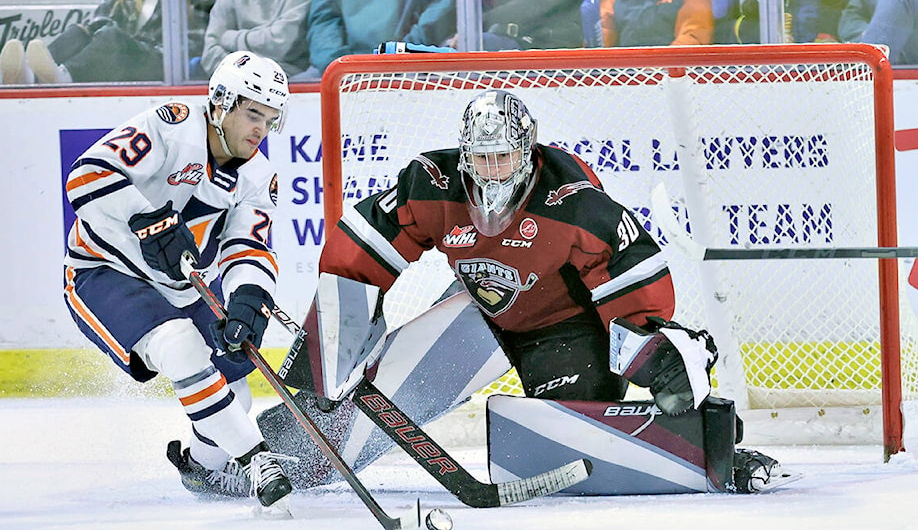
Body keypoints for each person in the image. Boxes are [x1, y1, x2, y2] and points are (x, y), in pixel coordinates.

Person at [300, 89, 783, 494]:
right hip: (479, 314)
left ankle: (709, 448)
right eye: (482, 159)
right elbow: (360, 252)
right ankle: (282, 455)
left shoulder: (572, 199)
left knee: (573, 453)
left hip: (565, 329)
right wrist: (336, 345)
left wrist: (651, 346)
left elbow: (629, 268)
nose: (492, 171)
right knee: (374, 404)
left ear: (527, 151)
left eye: (503, 157)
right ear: (465, 154)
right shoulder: (432, 183)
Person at [62, 50, 294, 511]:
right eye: (252, 113)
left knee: (236, 391)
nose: (259, 130)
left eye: (270, 119)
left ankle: (203, 470)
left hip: (180, 287)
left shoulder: (259, 176)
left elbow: (249, 247)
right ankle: (256, 458)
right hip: (103, 270)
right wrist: (147, 219)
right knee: (180, 344)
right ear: (222, 102)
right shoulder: (169, 126)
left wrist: (249, 297)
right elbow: (86, 176)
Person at [0, 0, 215, 85]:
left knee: (112, 37)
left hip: (164, 64)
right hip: (124, 58)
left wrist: (129, 43)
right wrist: (87, 31)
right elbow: (100, 21)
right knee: (79, 32)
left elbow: (195, 42)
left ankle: (63, 77)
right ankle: (30, 78)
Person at [307, 0, 456, 73]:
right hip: (343, 71)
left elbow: (439, 13)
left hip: (412, 69)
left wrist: (399, 57)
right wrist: (340, 65)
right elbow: (323, 20)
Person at [200, 0, 313, 82]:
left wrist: (231, 38)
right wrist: (245, 80)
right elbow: (210, 55)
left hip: (290, 84)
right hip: (235, 85)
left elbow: (280, 44)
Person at [839, 0, 918, 65]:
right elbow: (852, 16)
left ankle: (864, 74)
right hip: (889, 55)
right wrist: (873, 31)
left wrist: (895, 26)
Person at [599, 0, 715, 47]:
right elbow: (601, 36)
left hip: (673, 73)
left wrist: (660, 65)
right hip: (625, 71)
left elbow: (694, 35)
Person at [478, 0, 584, 50]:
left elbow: (538, 3)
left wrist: (481, 22)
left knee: (477, 46)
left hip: (547, 47)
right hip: (510, 37)